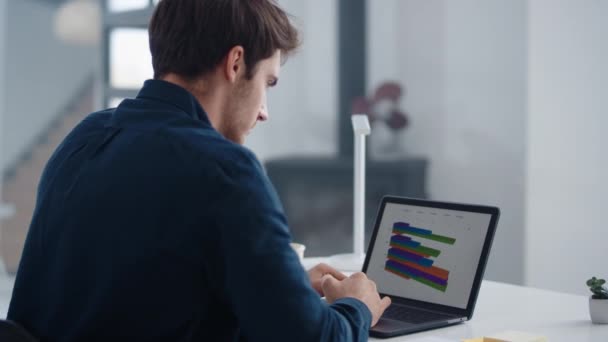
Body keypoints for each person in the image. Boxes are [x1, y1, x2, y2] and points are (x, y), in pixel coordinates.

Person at [7, 0, 391, 340]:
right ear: (236, 63)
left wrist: (277, 289)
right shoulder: (225, 169)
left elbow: (135, 290)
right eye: (267, 83)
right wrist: (357, 306)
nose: (264, 111)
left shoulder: (85, 137)